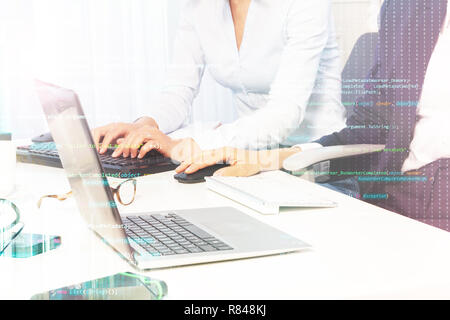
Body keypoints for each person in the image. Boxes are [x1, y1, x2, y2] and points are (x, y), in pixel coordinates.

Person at [175, 0, 450, 232]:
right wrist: (262, 159)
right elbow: (371, 129)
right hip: (398, 203)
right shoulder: (407, 6)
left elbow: (285, 111)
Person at [92, 0, 346, 161]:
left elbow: (284, 114)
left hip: (315, 162)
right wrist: (145, 126)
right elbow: (178, 90)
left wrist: (190, 145)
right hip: (247, 158)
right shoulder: (197, 7)